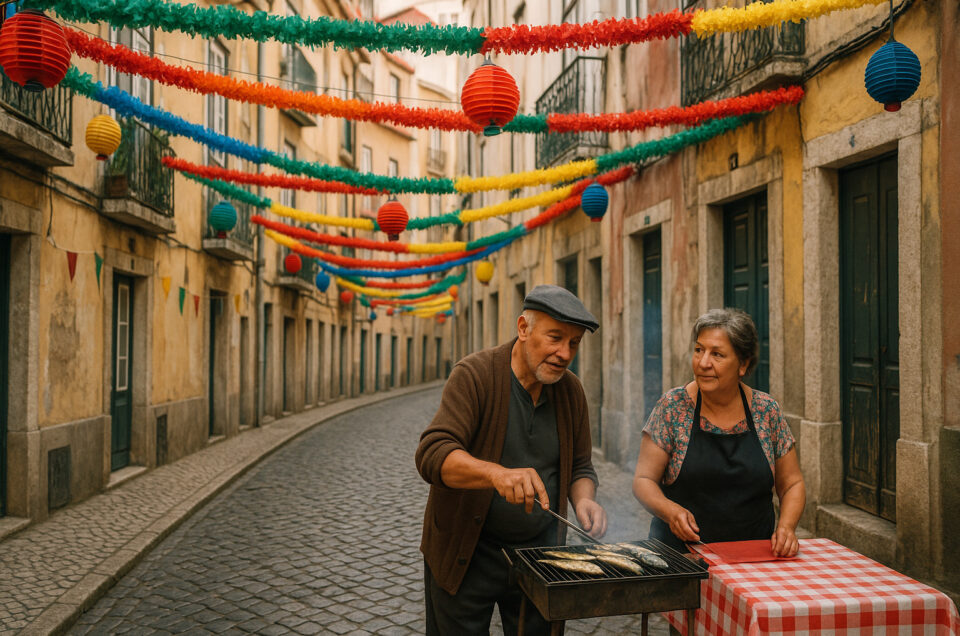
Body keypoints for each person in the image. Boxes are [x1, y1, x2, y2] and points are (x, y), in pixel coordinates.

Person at [416, 284, 608, 636]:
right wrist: (495, 475)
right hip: (467, 552)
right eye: (555, 338)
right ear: (523, 328)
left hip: (539, 557)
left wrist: (585, 500)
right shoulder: (474, 375)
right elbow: (432, 453)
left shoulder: (571, 391)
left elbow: (581, 466)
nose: (564, 353)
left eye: (574, 343)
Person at [633, 308, 805, 557]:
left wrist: (787, 527)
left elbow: (792, 484)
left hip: (752, 559)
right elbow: (643, 481)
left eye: (717, 354)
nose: (703, 363)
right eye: (699, 350)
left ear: (743, 364)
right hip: (682, 559)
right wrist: (670, 511)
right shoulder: (672, 407)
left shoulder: (766, 411)